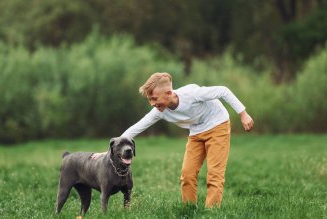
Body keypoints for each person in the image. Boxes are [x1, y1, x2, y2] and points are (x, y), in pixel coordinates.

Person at [92, 72, 254, 208]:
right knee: (187, 174)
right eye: (150, 100)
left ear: (169, 93)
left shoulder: (193, 94)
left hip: (218, 125)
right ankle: (188, 210)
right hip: (196, 132)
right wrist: (110, 151)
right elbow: (135, 129)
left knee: (214, 174)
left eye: (155, 99)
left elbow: (223, 90)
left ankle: (212, 213)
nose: (153, 103)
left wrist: (243, 113)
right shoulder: (159, 111)